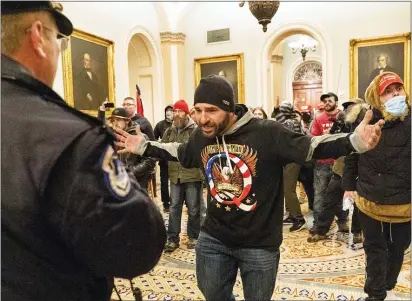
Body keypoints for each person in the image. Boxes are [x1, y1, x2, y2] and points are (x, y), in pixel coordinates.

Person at [115, 74, 383, 301]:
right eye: (198, 110)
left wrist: (353, 142)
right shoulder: (201, 136)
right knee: (211, 291)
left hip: (259, 243)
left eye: (211, 111)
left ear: (230, 109)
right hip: (215, 237)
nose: (203, 118)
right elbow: (181, 152)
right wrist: (143, 146)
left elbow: (311, 146)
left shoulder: (267, 132)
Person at [1, 2, 166, 300]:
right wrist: (119, 163)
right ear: (38, 37)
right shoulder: (67, 136)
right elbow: (138, 247)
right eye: (57, 42)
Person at [342, 72, 410, 301]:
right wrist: (349, 185)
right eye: (388, 92)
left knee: (398, 247)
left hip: (404, 201)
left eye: (398, 89)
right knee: (375, 249)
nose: (395, 95)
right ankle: (375, 293)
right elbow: (352, 155)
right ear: (377, 97)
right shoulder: (366, 120)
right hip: (370, 197)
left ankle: (387, 284)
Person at [308, 98, 366, 243]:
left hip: (361, 169)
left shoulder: (366, 121)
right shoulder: (343, 121)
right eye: (346, 107)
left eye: (352, 107)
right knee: (330, 200)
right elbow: (334, 140)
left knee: (358, 203)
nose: (349, 110)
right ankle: (321, 229)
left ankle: (357, 231)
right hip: (341, 167)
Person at [162, 100, 203, 252]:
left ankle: (194, 236)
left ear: (186, 113)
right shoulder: (169, 131)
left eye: (180, 111)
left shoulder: (195, 130)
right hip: (175, 176)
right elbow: (163, 150)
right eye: (175, 111)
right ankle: (172, 239)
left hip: (192, 175)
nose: (177, 114)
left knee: (193, 208)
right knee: (174, 208)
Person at [310, 92, 348, 234]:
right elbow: (313, 139)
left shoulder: (344, 116)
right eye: (324, 101)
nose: (327, 103)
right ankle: (317, 223)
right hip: (322, 163)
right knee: (319, 195)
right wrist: (325, 136)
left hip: (340, 163)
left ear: (336, 102)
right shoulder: (318, 119)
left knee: (339, 195)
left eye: (330, 100)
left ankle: (342, 220)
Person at [98, 104, 155, 191]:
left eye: (118, 120)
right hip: (117, 182)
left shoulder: (139, 136)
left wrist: (131, 172)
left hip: (137, 182)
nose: (115, 123)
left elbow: (150, 161)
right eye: (113, 120)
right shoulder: (113, 136)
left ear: (127, 121)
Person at [277, 102, 307, 232]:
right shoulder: (293, 121)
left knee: (289, 190)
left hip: (292, 159)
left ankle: (298, 219)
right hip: (290, 159)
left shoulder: (289, 123)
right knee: (286, 188)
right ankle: (290, 214)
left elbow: (287, 142)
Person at [154, 105, 174, 212]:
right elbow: (153, 138)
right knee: (164, 183)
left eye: (171, 111)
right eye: (167, 111)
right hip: (164, 159)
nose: (168, 113)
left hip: (175, 160)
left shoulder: (177, 125)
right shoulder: (160, 125)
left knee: (176, 183)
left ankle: (176, 202)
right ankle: (166, 204)